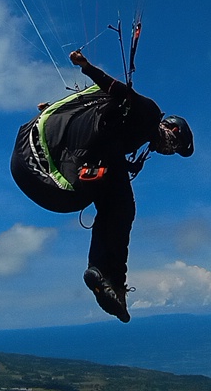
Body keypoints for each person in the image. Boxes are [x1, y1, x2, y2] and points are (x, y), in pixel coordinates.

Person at [10, 49, 193, 322]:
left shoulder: (103, 114)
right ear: (173, 131)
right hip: (58, 187)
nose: (168, 150)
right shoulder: (148, 114)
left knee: (112, 185)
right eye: (174, 146)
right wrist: (87, 67)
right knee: (123, 206)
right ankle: (112, 280)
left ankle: (101, 274)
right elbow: (122, 92)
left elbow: (92, 110)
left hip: (27, 162)